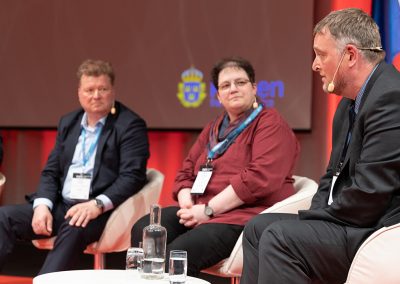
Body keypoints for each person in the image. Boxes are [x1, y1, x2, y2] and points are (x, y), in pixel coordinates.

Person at [240, 8, 400, 284]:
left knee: (281, 238)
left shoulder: (390, 98)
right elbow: (331, 178)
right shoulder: (348, 104)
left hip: (377, 230)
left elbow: (370, 193)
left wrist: (316, 219)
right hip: (352, 221)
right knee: (257, 228)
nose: (315, 64)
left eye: (321, 54)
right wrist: (316, 216)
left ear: (350, 55)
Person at [131, 56, 300, 276]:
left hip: (243, 217)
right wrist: (187, 203)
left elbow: (258, 178)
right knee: (144, 230)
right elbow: (187, 169)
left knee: (177, 254)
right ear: (218, 96)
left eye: (241, 83)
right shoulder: (214, 127)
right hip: (201, 211)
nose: (234, 89)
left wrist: (209, 211)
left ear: (254, 88)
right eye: (225, 85)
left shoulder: (270, 123)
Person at [0, 59, 150, 274]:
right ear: (79, 92)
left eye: (102, 89)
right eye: (90, 89)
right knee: (4, 217)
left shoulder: (130, 125)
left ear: (113, 91)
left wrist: (96, 204)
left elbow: (132, 176)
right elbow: (51, 171)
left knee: (74, 225)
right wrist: (42, 205)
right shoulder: (69, 122)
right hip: (64, 205)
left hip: (101, 211)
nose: (96, 95)